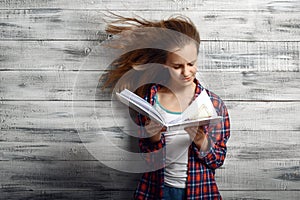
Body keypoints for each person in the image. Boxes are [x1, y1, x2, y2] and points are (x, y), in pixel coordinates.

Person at [100, 13, 230, 200]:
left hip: (200, 191)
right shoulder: (150, 101)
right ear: (164, 64)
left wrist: (202, 141)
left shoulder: (214, 104)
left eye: (191, 64)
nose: (186, 72)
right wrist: (153, 138)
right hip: (157, 191)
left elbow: (218, 160)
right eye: (177, 66)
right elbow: (147, 161)